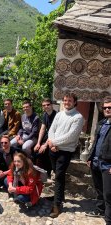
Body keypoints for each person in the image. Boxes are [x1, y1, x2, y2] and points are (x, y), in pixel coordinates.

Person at [47, 92, 84, 218]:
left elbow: (71, 136)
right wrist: (51, 143)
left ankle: (57, 205)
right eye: (65, 100)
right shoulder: (59, 114)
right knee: (57, 174)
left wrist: (54, 142)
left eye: (69, 100)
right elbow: (52, 129)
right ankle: (60, 196)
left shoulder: (78, 117)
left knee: (58, 176)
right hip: (53, 149)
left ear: (74, 102)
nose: (66, 102)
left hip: (65, 151)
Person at [86, 95, 111, 223]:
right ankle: (100, 209)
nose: (107, 109)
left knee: (108, 194)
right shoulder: (101, 123)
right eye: (105, 107)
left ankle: (109, 219)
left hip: (108, 164)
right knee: (99, 189)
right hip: (96, 161)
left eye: (110, 107)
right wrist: (90, 157)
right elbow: (95, 142)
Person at [33, 98, 57, 177]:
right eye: (44, 105)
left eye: (48, 105)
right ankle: (39, 172)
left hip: (55, 137)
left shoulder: (56, 115)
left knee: (44, 151)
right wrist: (38, 143)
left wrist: (45, 145)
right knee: (36, 149)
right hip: (47, 136)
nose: (46, 106)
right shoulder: (45, 115)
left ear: (52, 105)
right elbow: (42, 129)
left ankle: (48, 172)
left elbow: (53, 132)